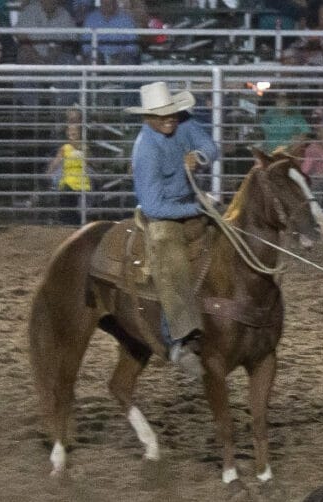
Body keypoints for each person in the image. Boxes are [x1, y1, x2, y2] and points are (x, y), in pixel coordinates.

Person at [128, 81, 220, 380]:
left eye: (171, 112)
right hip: (165, 213)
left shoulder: (184, 122)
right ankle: (179, 339)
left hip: (191, 200)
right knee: (170, 255)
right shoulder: (146, 151)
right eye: (161, 115)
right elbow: (154, 206)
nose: (169, 118)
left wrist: (200, 157)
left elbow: (210, 146)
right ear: (148, 118)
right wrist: (197, 210)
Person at [46, 120, 92, 224]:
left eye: (74, 133)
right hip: (69, 181)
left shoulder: (84, 147)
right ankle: (69, 223)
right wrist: (49, 172)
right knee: (66, 201)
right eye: (70, 133)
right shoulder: (65, 148)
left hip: (81, 182)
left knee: (71, 204)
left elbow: (90, 162)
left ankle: (74, 223)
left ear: (79, 133)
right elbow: (56, 162)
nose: (71, 136)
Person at [81, 0, 139, 64]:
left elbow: (133, 46)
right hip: (98, 57)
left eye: (110, 2)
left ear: (115, 2)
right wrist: (97, 55)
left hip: (121, 57)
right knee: (91, 59)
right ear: (100, 2)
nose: (107, 4)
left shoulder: (126, 19)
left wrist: (120, 56)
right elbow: (86, 46)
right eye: (105, 2)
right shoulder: (91, 19)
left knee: (128, 61)